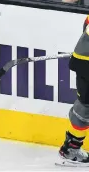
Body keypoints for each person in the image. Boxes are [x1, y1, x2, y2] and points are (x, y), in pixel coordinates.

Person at [57, 15, 89, 166]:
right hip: (85, 64)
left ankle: (72, 147)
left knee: (85, 106)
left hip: (82, 61)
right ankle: (71, 148)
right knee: (85, 106)